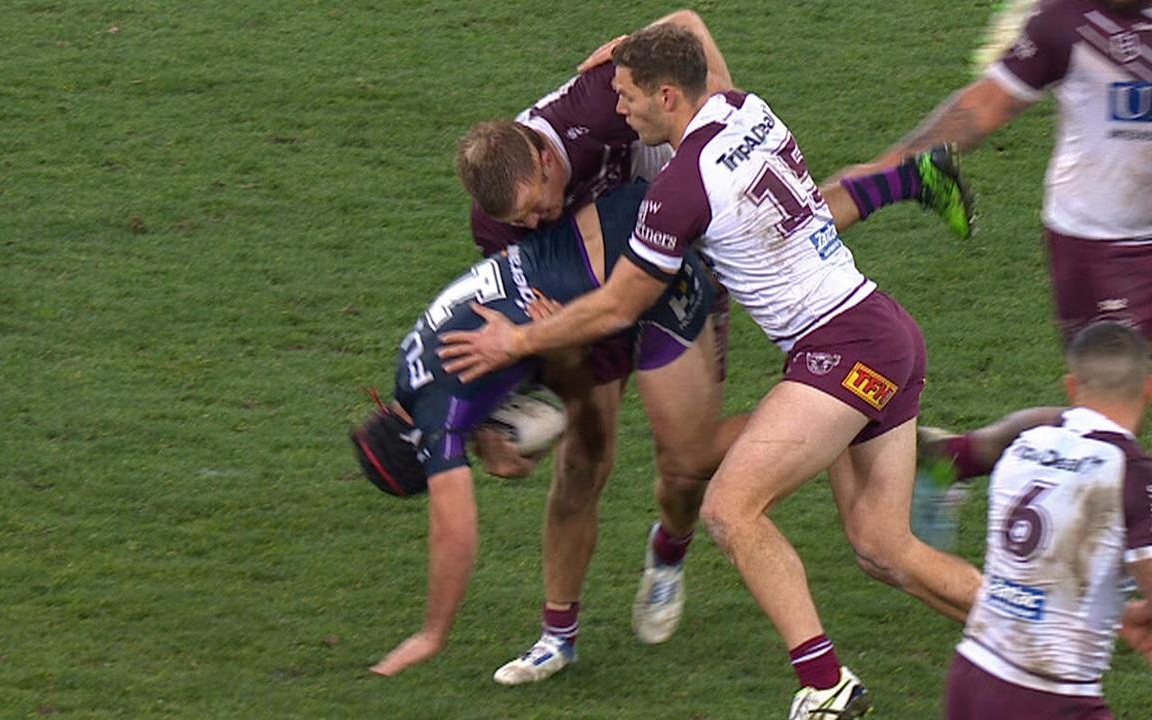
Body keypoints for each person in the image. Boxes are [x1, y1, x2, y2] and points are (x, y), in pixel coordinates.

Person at [438, 24, 982, 719]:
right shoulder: (745, 109)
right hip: (874, 328)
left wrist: (521, 342)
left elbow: (619, 303)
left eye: (632, 95)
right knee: (882, 548)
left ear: (668, 94)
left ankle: (826, 686)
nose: (622, 108)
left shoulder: (678, 190)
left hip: (844, 348)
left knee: (729, 507)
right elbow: (798, 198)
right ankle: (1039, 633)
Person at [858, 0, 1152, 600]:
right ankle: (954, 456)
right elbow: (987, 103)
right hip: (1096, 246)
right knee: (1105, 425)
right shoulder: (1067, 20)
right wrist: (885, 170)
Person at [359, 182, 742, 677]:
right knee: (581, 466)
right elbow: (490, 367)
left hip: (649, 277)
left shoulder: (436, 426)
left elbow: (454, 534)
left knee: (688, 462)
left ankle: (826, 400)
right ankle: (558, 637)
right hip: (599, 255)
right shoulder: (409, 370)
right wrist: (488, 424)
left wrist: (432, 634)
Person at [945, 321, 1152, 720]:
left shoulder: (1025, 442)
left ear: (1073, 387)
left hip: (970, 677)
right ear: (1150, 389)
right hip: (1051, 697)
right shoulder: (1141, 479)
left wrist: (1117, 616)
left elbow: (1040, 578)